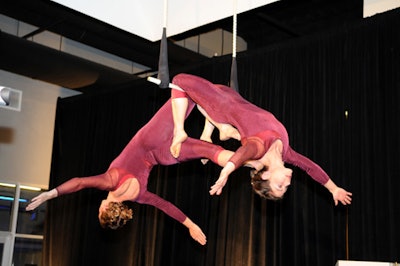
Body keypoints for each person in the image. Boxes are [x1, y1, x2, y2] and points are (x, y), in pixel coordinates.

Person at [26, 96, 241, 245]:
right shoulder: (110, 182)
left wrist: (191, 226)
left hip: (165, 156)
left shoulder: (139, 196)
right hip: (151, 138)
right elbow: (80, 183)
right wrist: (50, 194)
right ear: (103, 210)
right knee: (186, 92)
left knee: (213, 152)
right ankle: (212, 130)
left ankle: (216, 137)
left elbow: (166, 206)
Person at [168, 73, 352, 206]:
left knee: (178, 81)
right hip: (231, 98)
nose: (287, 183)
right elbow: (311, 167)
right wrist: (333, 189)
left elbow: (242, 154)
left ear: (266, 175)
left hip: (222, 104)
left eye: (280, 185)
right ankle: (218, 131)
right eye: (285, 187)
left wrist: (226, 173)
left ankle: (180, 131)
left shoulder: (258, 149)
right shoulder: (286, 153)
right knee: (222, 120)